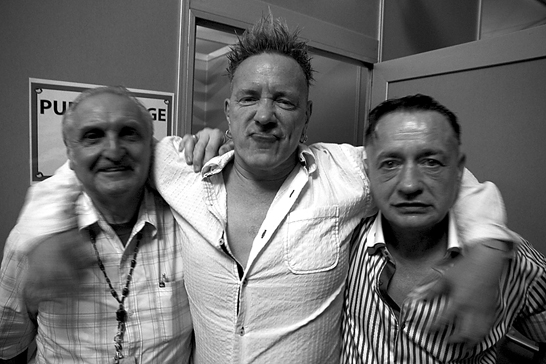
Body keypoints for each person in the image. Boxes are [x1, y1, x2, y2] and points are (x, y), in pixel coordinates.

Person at [152, 14, 516, 363]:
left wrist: (486, 254)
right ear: (229, 111)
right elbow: (120, 157)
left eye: (284, 101)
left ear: (306, 114)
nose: (264, 116)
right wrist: (202, 140)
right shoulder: (182, 172)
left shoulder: (344, 175)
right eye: (249, 98)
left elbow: (441, 174)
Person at [0, 86, 223, 363]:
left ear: (151, 147)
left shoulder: (189, 226)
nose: (114, 151)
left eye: (129, 133)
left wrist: (219, 151)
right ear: (70, 154)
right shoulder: (32, 241)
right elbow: (8, 344)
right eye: (93, 136)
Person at [341, 94, 546, 363]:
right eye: (390, 163)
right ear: (368, 171)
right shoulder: (343, 243)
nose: (410, 185)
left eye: (431, 162)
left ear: (459, 171)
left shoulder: (512, 261)